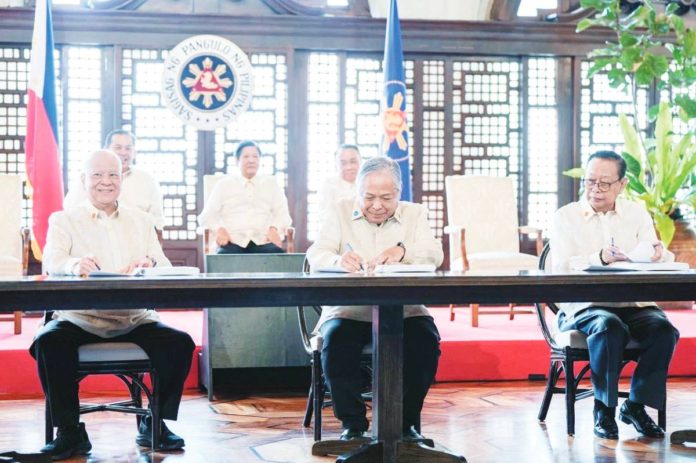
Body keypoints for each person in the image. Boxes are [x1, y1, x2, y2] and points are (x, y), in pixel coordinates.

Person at [32, 150, 195, 460]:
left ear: (122, 180)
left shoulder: (142, 220)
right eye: (97, 175)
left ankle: (154, 421)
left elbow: (163, 263)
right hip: (81, 319)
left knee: (180, 344)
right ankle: (69, 433)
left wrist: (149, 262)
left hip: (134, 318)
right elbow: (53, 261)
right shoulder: (64, 220)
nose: (105, 182)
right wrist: (76, 263)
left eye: (113, 176)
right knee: (48, 343)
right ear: (83, 180)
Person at [306, 156, 442, 441]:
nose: (377, 205)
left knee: (425, 343)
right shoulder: (340, 211)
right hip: (350, 310)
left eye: (386, 198)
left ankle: (405, 425)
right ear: (358, 192)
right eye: (368, 197)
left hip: (405, 311)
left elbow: (434, 254)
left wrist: (403, 251)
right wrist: (339, 260)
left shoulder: (415, 214)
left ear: (399, 195)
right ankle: (353, 426)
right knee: (337, 344)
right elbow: (316, 254)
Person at [550, 150, 679, 440]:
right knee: (609, 327)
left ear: (622, 184)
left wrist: (657, 254)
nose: (595, 188)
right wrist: (598, 257)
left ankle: (635, 405)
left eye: (604, 183)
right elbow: (560, 265)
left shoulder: (635, 213)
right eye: (590, 181)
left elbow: (655, 251)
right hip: (584, 306)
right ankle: (604, 410)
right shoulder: (566, 216)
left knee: (664, 330)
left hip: (632, 302)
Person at [198, 140, 292, 254]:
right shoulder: (224, 185)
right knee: (223, 257)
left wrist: (274, 228)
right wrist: (219, 229)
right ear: (237, 161)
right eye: (246, 157)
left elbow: (283, 214)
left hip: (264, 241)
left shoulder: (271, 184)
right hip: (232, 242)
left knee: (278, 256)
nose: (251, 160)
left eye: (255, 157)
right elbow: (206, 216)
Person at [64, 129, 165, 230]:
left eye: (128, 148)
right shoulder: (88, 177)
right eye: (118, 147)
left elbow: (157, 220)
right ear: (106, 149)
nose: (123, 152)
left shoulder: (147, 180)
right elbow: (70, 210)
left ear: (134, 152)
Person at [317, 144, 362, 216]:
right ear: (336, 165)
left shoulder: (369, 183)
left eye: (353, 162)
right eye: (343, 163)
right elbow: (324, 215)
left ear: (360, 161)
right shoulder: (328, 185)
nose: (349, 167)